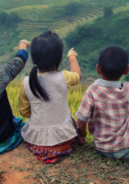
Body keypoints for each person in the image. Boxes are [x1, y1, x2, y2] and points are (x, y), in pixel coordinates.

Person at [19, 31, 81, 164]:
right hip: (64, 142)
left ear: (34, 59)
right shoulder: (64, 77)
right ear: (59, 60)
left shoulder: (26, 82)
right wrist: (71, 57)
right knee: (71, 119)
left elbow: (24, 112)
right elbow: (77, 75)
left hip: (37, 143)